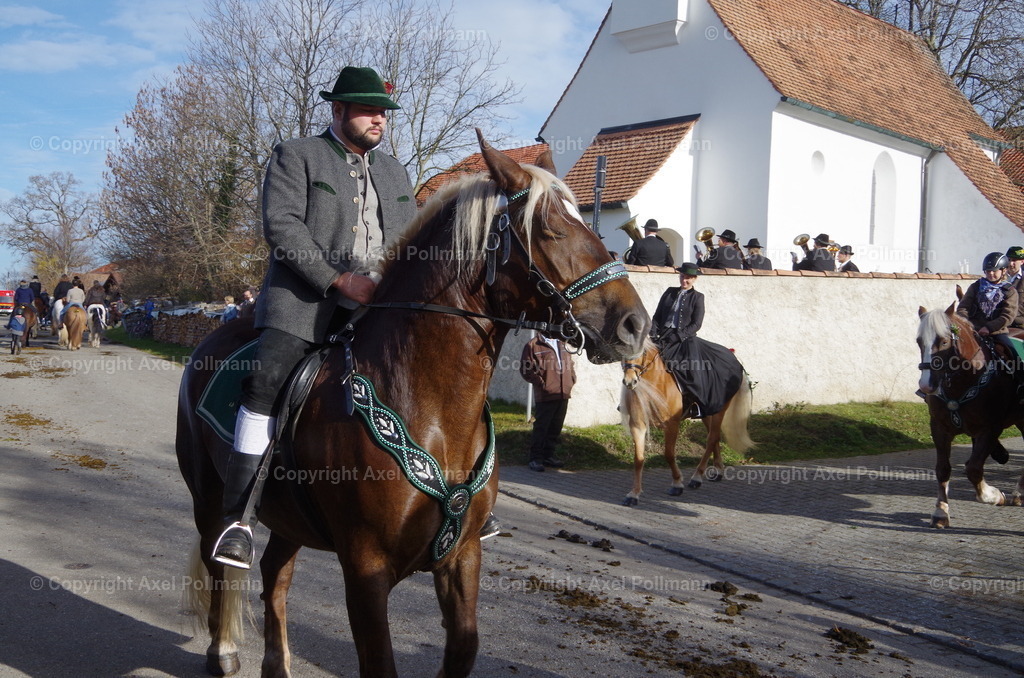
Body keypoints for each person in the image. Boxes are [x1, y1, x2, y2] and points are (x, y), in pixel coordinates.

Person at [212, 66, 422, 570]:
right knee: (265, 382)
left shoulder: (395, 172)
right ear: (338, 110)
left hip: (382, 308)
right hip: (305, 304)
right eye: (370, 110)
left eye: (385, 113)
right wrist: (338, 279)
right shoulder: (296, 155)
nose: (380, 120)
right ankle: (238, 519)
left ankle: (460, 498)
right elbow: (281, 227)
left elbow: (413, 237)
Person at [650, 263, 744, 419]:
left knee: (692, 369)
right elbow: (657, 316)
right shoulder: (669, 292)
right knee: (642, 363)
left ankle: (695, 405)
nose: (684, 280)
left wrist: (678, 337)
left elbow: (696, 324)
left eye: (688, 278)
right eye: (682, 276)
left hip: (685, 340)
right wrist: (653, 334)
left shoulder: (698, 297)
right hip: (663, 337)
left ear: (694, 279)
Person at [519, 334, 576, 472]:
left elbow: (570, 363)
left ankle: (548, 456)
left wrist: (572, 379)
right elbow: (526, 369)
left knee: (555, 427)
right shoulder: (533, 345)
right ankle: (535, 458)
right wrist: (541, 383)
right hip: (546, 394)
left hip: (563, 393)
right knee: (542, 427)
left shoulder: (562, 342)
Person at [956, 252, 1019, 363]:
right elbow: (963, 308)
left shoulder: (1010, 291)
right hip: (973, 330)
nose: (990, 274)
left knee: (1014, 356)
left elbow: (1007, 316)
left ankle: (1019, 378)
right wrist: (967, 325)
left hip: (997, 332)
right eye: (987, 271)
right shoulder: (975, 287)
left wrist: (989, 328)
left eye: (994, 271)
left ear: (1003, 270)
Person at [1005, 246, 1024, 330]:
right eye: (1009, 260)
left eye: (1014, 260)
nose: (1010, 263)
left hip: (1019, 322)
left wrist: (1008, 313)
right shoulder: (1000, 277)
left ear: (1022, 261)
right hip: (1000, 320)